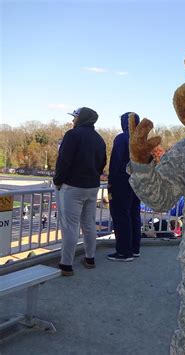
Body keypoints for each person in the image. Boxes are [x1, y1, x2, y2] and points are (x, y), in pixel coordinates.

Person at [54, 107, 106, 276]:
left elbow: (64, 160)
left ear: (81, 118)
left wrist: (58, 180)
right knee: (89, 224)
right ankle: (90, 258)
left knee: (70, 227)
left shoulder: (72, 135)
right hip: (92, 187)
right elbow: (102, 163)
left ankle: (66, 265)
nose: (72, 120)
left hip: (73, 187)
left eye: (75, 117)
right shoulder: (99, 139)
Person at [107, 112, 142, 262]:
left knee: (121, 215)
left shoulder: (122, 139)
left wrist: (111, 181)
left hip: (122, 182)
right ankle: (134, 248)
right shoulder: (142, 139)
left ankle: (124, 251)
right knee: (134, 214)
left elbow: (116, 163)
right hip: (139, 182)